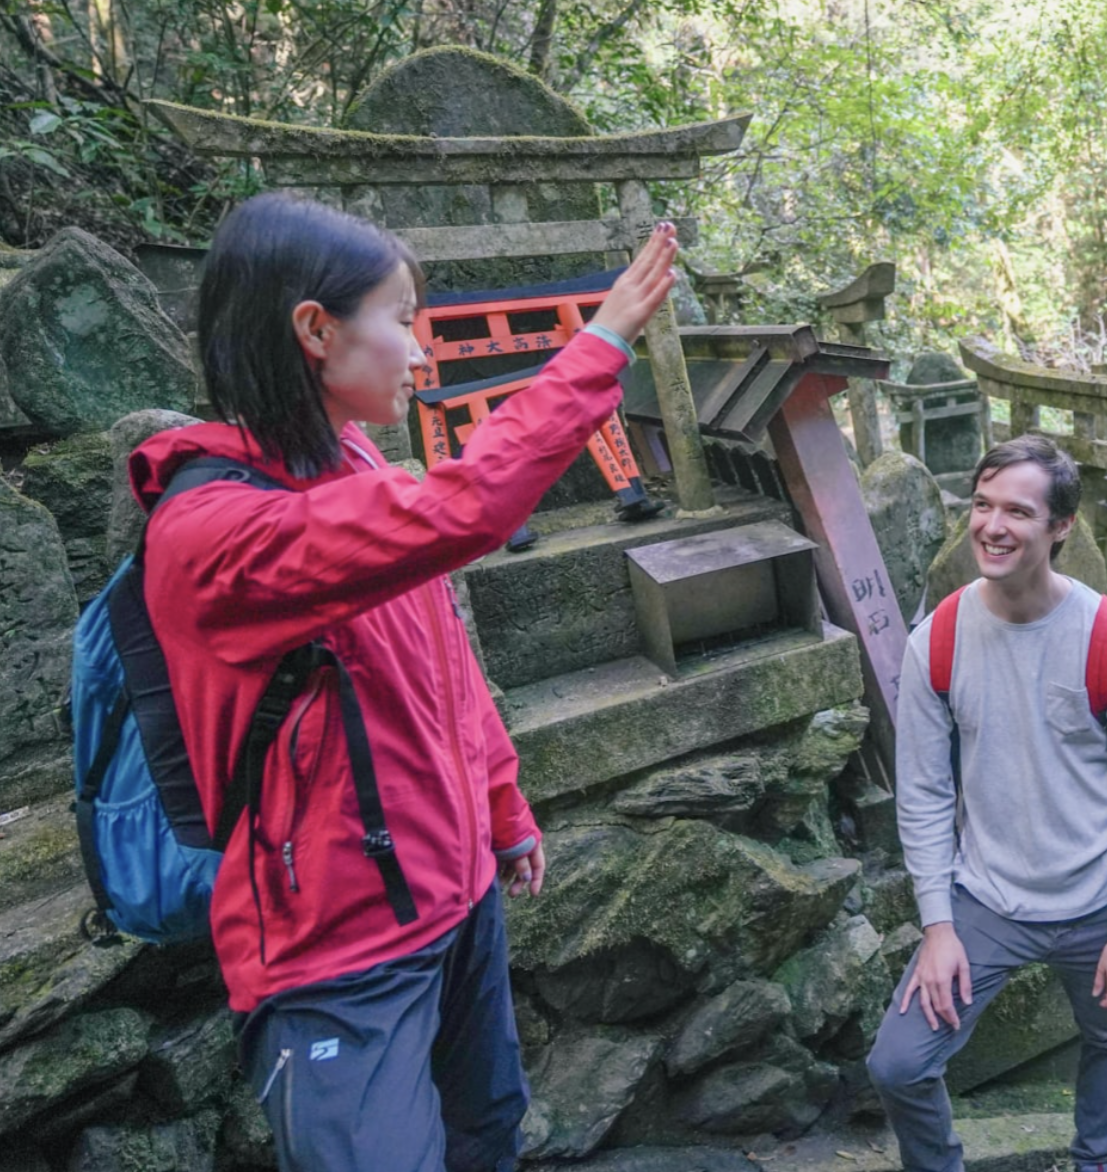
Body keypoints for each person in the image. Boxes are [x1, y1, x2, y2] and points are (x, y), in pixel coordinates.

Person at [128, 192, 679, 1172]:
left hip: (455, 890)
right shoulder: (210, 533)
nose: (422, 352)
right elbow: (465, 505)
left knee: (488, 1133)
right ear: (315, 329)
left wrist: (501, 804)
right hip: (336, 952)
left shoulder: (344, 454)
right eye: (401, 319)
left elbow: (439, 660)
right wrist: (598, 345)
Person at [866, 435, 1107, 1172]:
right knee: (899, 1063)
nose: (992, 526)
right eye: (981, 504)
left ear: (1060, 527)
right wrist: (937, 925)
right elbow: (925, 795)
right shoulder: (935, 641)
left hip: (1096, 898)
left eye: (1018, 511)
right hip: (985, 898)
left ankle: (1097, 1157)